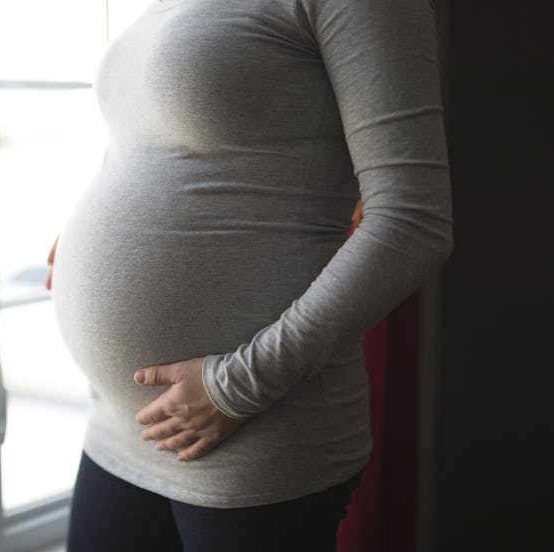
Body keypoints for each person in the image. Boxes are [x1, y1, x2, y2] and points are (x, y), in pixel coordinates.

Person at [45, 0, 453, 550]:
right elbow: (148, 142)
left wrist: (234, 389)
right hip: (120, 428)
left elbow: (413, 222)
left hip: (256, 431)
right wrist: (87, 237)